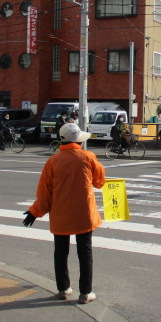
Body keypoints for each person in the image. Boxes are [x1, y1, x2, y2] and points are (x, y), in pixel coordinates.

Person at [22, 123, 105, 304]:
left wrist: (33, 212)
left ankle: (63, 288)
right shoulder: (88, 157)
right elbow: (100, 182)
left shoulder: (52, 161)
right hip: (84, 214)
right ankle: (85, 292)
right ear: (78, 141)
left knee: (60, 252)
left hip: (61, 215)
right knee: (85, 252)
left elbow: (44, 194)